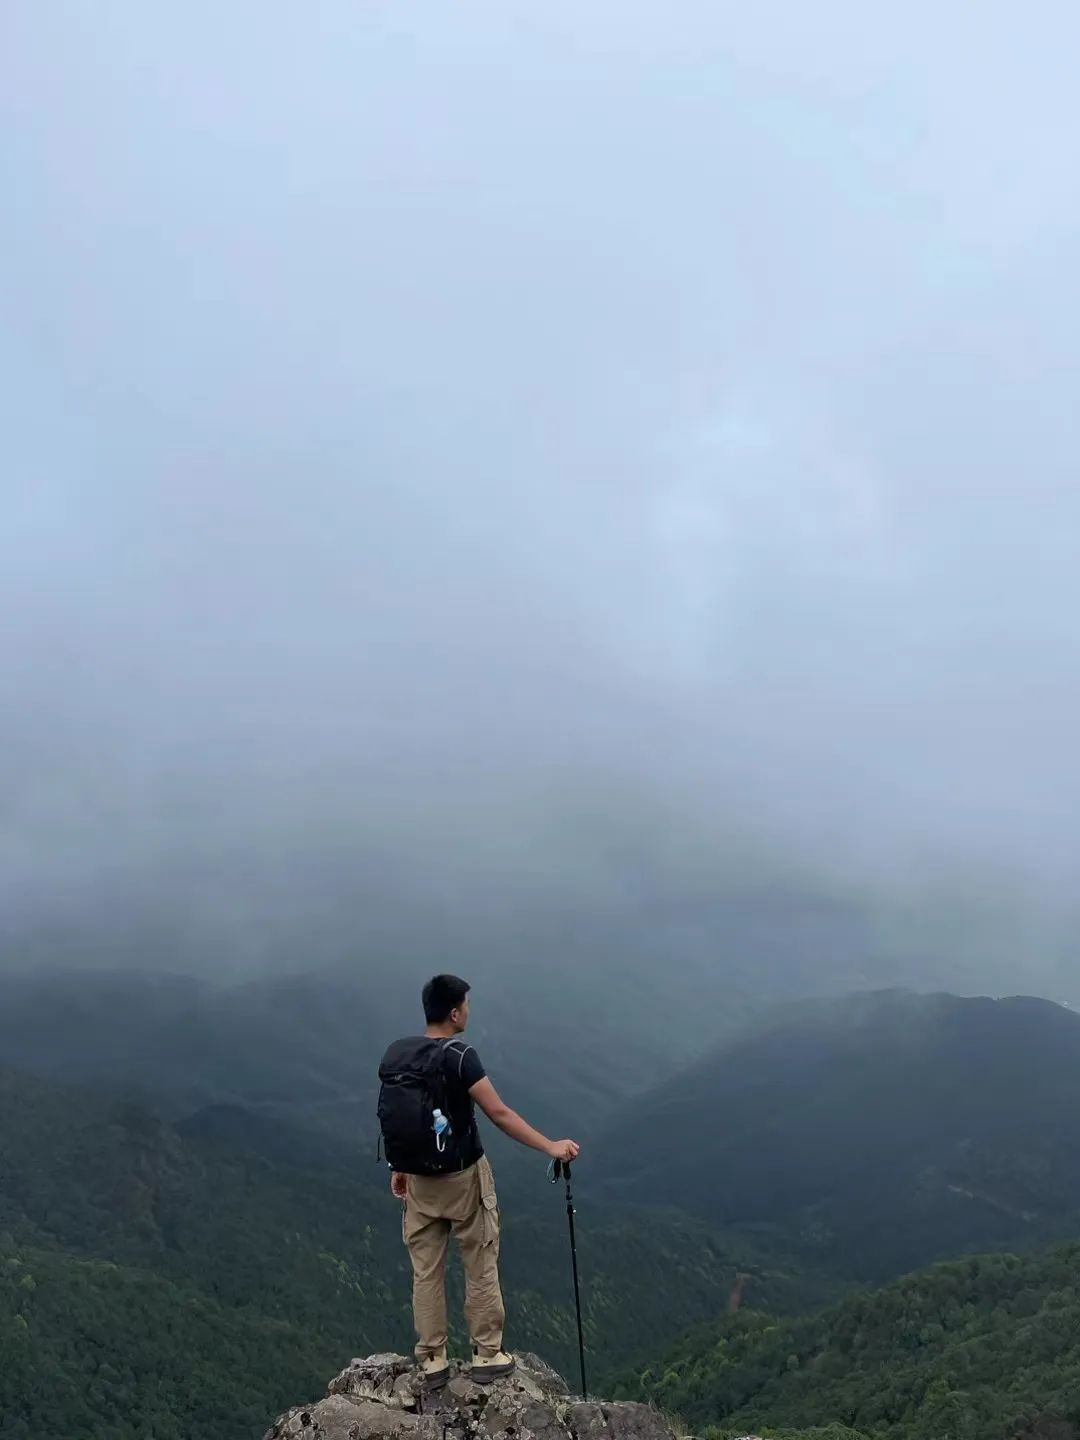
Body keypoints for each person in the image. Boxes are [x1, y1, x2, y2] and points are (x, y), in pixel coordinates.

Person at [380, 974, 580, 1390]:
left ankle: (432, 1358)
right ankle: (487, 1353)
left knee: (426, 1271)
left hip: (418, 1180)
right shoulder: (460, 1056)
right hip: (463, 1175)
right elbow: (500, 1114)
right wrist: (551, 1147)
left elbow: (400, 1119)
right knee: (480, 1260)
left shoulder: (399, 1055)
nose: (469, 1010)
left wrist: (400, 1166)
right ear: (454, 1013)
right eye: (466, 1004)